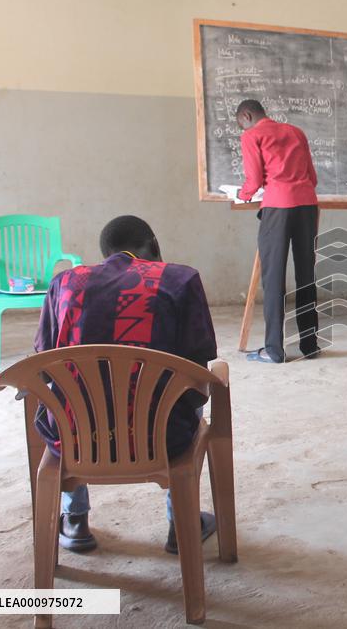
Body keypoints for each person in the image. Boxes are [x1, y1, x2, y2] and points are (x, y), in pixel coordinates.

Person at [34, 215, 218, 554]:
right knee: (186, 392)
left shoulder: (65, 282)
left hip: (76, 440)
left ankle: (74, 521)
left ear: (104, 254)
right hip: (162, 437)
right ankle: (182, 522)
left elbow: (43, 366)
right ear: (154, 247)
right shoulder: (181, 279)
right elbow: (198, 366)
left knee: (62, 405)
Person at [236, 99, 321, 363]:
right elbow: (312, 177)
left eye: (241, 123)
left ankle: (274, 350)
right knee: (306, 275)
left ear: (247, 116)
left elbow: (253, 179)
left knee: (273, 278)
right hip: (307, 205)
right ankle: (310, 345)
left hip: (278, 207)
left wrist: (243, 194)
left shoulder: (252, 135)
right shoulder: (296, 131)